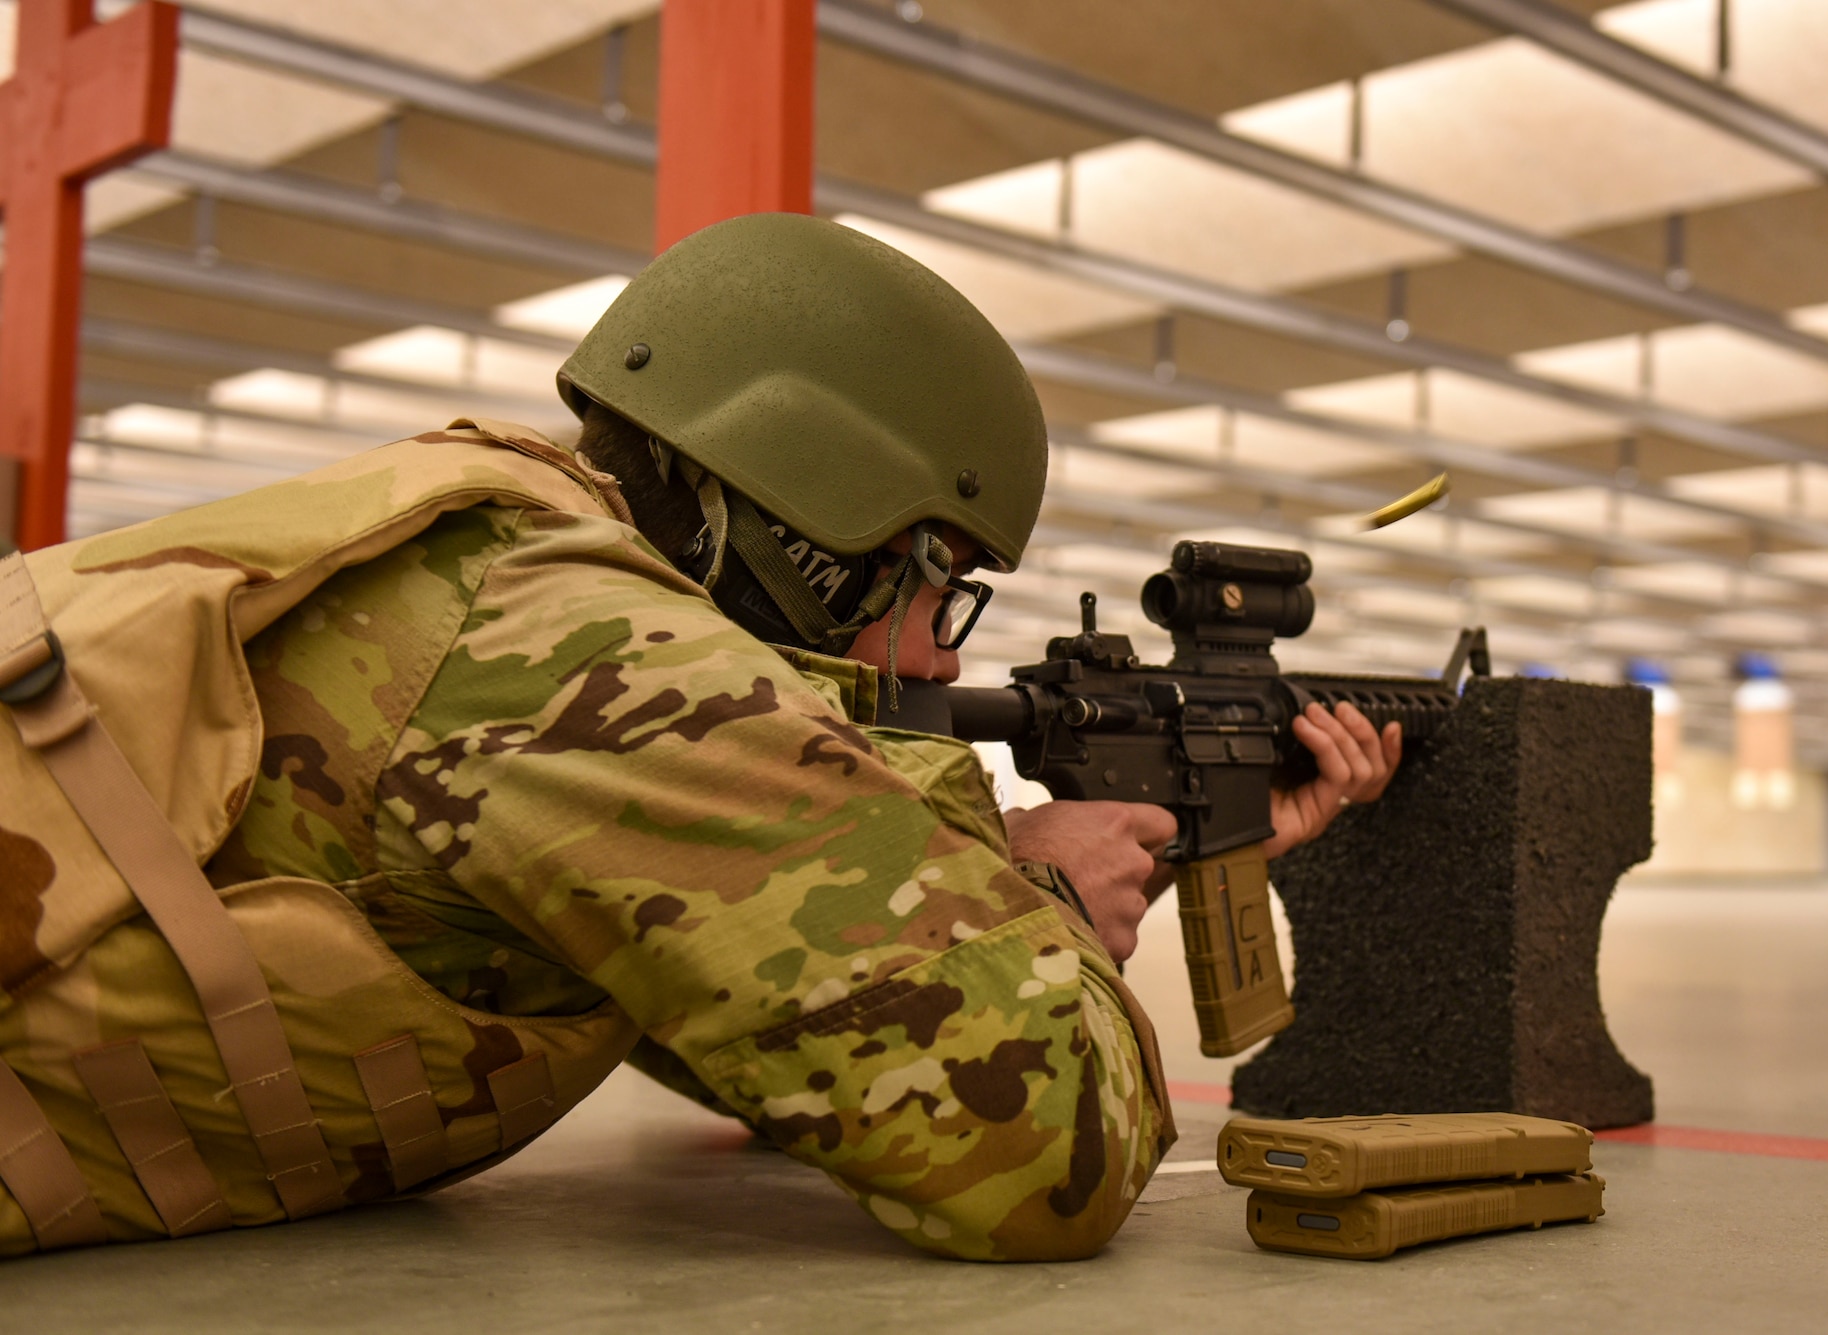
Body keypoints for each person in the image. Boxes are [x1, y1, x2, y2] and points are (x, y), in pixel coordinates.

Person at [0, 213, 1397, 1263]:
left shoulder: (472, 536)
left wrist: (991, 867)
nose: (936, 651)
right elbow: (1046, 1154)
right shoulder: (598, 659)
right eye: (935, 576)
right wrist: (1043, 908)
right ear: (825, 523)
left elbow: (731, 1021)